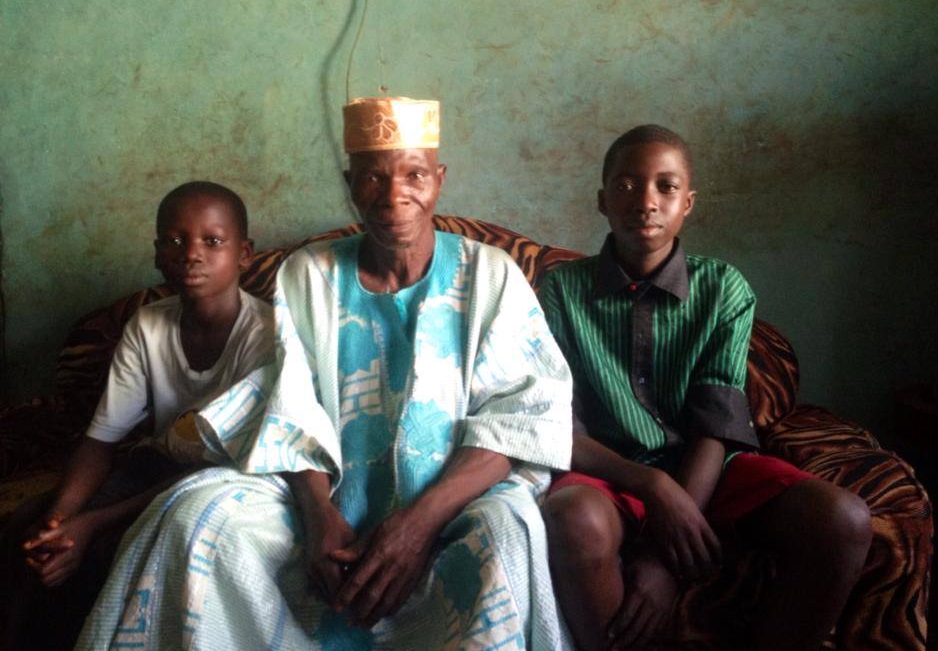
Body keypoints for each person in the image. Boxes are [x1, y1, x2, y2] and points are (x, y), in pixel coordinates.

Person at [76, 97, 574, 650]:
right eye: (373, 177)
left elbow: (520, 419)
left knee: (508, 530)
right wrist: (319, 518)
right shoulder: (308, 273)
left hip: (453, 502)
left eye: (414, 175)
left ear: (439, 180)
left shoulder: (491, 274)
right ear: (349, 183)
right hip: (324, 494)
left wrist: (417, 525)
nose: (394, 196)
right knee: (195, 514)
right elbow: (290, 404)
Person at [537, 125, 873, 651]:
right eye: (626, 186)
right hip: (606, 471)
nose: (646, 201)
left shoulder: (723, 289)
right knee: (573, 520)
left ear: (688, 203)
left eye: (666, 187)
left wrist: (663, 561)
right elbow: (560, 428)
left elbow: (716, 424)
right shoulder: (560, 289)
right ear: (602, 201)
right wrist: (653, 485)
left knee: (843, 520)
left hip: (709, 470)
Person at [0, 181, 273, 650]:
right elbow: (101, 439)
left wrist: (91, 523)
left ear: (244, 253)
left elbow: (229, 463)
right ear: (157, 254)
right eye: (175, 241)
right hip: (157, 465)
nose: (191, 254)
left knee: (104, 548)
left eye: (212, 241)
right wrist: (62, 518)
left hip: (226, 476)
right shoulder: (147, 324)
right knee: (30, 531)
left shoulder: (266, 334)